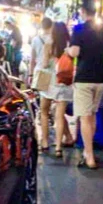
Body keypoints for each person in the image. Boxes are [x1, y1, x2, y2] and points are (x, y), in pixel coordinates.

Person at [68, 0, 103, 169]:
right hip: (101, 77)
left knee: (85, 118)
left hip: (85, 77)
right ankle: (89, 152)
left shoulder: (78, 29)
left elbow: (74, 51)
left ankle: (89, 157)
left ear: (83, 11)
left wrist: (68, 50)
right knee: (92, 115)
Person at [42, 21, 75, 157]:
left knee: (43, 110)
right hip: (65, 82)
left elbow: (44, 64)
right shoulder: (70, 45)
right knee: (60, 115)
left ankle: (44, 142)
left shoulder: (49, 43)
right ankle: (58, 147)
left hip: (49, 80)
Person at [29, 17, 53, 88]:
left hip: (40, 71)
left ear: (41, 26)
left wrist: (30, 74)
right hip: (52, 72)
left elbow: (32, 59)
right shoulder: (54, 39)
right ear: (52, 26)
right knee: (51, 97)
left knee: (40, 97)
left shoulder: (35, 39)